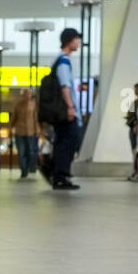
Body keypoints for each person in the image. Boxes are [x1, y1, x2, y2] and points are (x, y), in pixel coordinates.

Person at [48, 27, 84, 190]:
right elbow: (65, 86)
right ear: (69, 40)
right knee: (68, 142)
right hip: (65, 111)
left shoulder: (59, 60)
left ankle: (60, 176)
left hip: (60, 111)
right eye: (77, 39)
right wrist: (71, 108)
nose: (79, 42)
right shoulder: (63, 61)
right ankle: (61, 176)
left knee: (63, 141)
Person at [10, 88, 38, 180]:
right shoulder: (18, 105)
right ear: (23, 95)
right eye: (25, 94)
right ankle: (23, 170)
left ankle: (27, 168)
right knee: (21, 152)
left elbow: (35, 118)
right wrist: (11, 128)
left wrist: (37, 129)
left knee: (29, 151)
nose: (27, 95)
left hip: (30, 132)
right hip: (19, 131)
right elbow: (14, 117)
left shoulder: (33, 104)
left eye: (29, 94)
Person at [125, 82, 138, 180]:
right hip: (133, 130)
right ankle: (135, 170)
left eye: (137, 89)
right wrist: (133, 125)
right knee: (134, 150)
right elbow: (130, 116)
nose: (135, 91)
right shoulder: (135, 102)